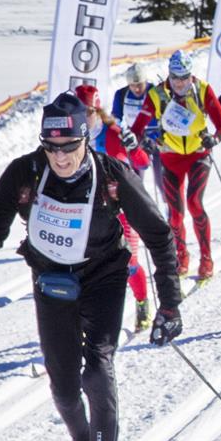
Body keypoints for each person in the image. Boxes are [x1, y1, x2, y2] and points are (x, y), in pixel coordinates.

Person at [0, 92, 183, 441]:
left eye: (69, 148)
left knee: (97, 371)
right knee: (63, 388)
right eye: (52, 148)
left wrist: (169, 305)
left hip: (104, 277)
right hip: (51, 282)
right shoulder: (24, 173)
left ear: (85, 139)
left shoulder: (112, 175)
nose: (60, 158)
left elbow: (160, 236)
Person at [130, 50, 221, 279]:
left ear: (191, 75)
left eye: (185, 77)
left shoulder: (202, 89)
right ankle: (182, 256)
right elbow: (137, 128)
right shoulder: (157, 94)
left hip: (198, 155)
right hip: (170, 157)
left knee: (195, 203)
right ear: (169, 76)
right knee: (174, 214)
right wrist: (145, 140)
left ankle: (206, 258)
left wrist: (214, 139)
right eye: (176, 77)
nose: (180, 83)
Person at [76, 84, 154, 332]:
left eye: (89, 111)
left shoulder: (113, 132)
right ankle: (85, 323)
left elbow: (143, 162)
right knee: (87, 267)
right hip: (89, 211)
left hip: (122, 209)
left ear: (98, 110)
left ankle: (142, 301)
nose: (85, 116)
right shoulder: (71, 137)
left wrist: (133, 146)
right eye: (80, 111)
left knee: (129, 263)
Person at [111, 63, 163, 192]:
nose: (137, 89)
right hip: (135, 140)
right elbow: (115, 119)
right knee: (135, 181)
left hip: (157, 140)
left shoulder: (155, 93)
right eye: (133, 85)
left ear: (145, 81)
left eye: (140, 84)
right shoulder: (122, 94)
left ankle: (170, 209)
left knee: (161, 181)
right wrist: (122, 134)